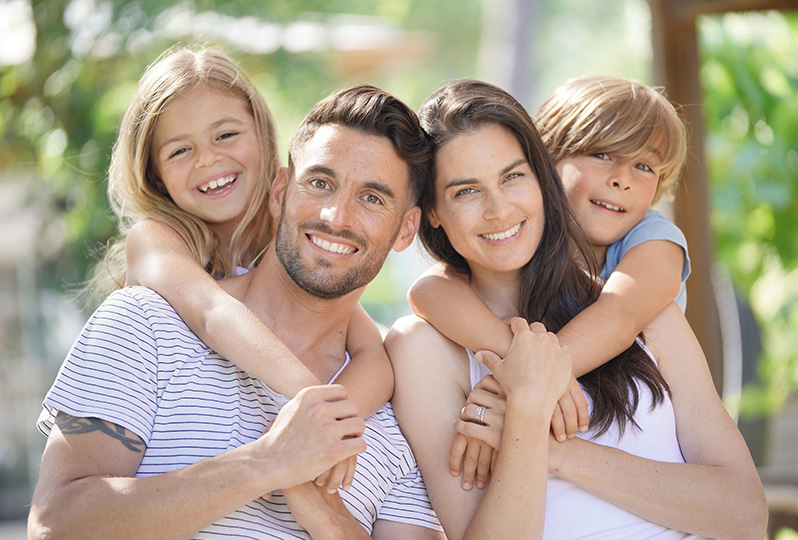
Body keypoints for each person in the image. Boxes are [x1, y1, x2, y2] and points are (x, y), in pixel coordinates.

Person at [29, 84, 445, 540]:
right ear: (280, 190)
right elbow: (54, 526)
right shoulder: (145, 323)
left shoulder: (397, 417)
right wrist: (264, 464)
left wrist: (331, 520)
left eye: (372, 198)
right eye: (321, 182)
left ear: (407, 229)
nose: (336, 215)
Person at [385, 79, 767, 540]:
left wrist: (547, 441)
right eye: (466, 191)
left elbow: (745, 514)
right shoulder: (422, 347)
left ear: (540, 178)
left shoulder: (644, 308)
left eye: (512, 177)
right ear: (432, 211)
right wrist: (530, 392)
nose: (498, 208)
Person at [90, 45, 397, 490]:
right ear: (155, 174)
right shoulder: (155, 241)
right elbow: (213, 314)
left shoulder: (295, 232)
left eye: (226, 135)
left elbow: (372, 354)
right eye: (179, 151)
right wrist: (312, 403)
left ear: (262, 136)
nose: (208, 160)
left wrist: (334, 428)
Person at [407, 75, 692, 469]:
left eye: (644, 166)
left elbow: (619, 315)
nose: (622, 179)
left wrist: (524, 382)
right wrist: (521, 368)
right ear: (549, 160)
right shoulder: (521, 241)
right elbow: (429, 291)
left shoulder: (655, 241)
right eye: (603, 154)